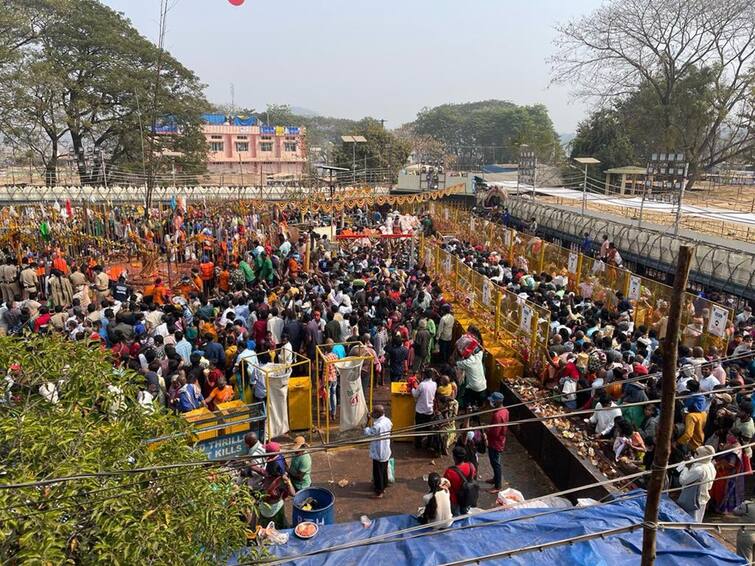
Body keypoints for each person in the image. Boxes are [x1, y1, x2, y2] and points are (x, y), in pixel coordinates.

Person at [676, 445, 716, 522]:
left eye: (697, 453)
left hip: (693, 500)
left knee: (690, 522)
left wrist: (686, 467)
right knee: (698, 521)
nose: (694, 454)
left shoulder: (699, 470)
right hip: (702, 498)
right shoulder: (710, 465)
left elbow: (683, 480)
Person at [364, 405, 392, 499]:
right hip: (386, 449)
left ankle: (379, 491)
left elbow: (367, 433)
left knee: (378, 472)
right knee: (383, 470)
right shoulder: (387, 421)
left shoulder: (377, 426)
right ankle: (383, 486)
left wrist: (368, 421)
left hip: (379, 451)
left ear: (378, 414)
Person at [443, 445, 478, 516]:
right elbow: (473, 476)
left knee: (456, 516)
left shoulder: (450, 472)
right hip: (468, 496)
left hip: (455, 500)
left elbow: (445, 484)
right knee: (465, 513)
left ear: (454, 457)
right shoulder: (471, 466)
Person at [485, 392, 509, 493]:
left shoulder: (497, 415)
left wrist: (486, 433)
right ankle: (495, 479)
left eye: (492, 400)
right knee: (495, 462)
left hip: (495, 442)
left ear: (497, 402)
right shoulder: (505, 411)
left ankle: (497, 486)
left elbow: (495, 432)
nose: (491, 402)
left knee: (495, 463)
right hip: (500, 440)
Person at [412, 368, 437, 449]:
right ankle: (429, 444)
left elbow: (415, 394)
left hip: (420, 410)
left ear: (425, 375)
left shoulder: (422, 385)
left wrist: (413, 388)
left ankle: (418, 445)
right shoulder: (434, 384)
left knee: (418, 428)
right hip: (429, 410)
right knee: (429, 428)